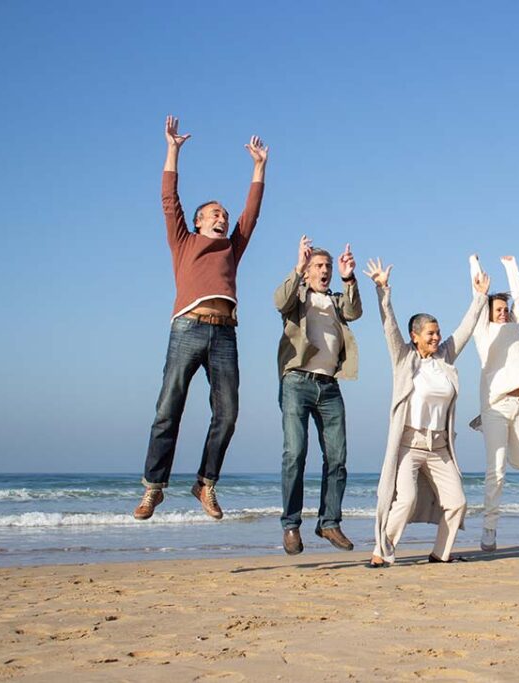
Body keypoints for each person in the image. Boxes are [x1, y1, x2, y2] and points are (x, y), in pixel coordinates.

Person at [134, 115, 268, 521]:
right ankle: (153, 489)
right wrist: (172, 150)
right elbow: (168, 200)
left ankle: (205, 484)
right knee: (167, 409)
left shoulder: (232, 247)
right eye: (214, 212)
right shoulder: (184, 241)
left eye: (224, 214)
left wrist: (259, 168)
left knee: (227, 414)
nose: (222, 217)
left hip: (225, 334)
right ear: (197, 221)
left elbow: (252, 215)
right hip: (187, 328)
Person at [364, 257, 489, 567]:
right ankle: (383, 550)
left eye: (437, 332)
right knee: (404, 500)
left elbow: (465, 330)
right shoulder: (404, 358)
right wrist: (383, 291)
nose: (436, 337)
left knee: (457, 503)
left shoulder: (445, 356)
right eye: (430, 333)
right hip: (408, 444)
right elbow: (388, 326)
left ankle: (439, 555)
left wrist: (479, 298)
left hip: (440, 447)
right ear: (415, 335)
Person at [274, 236, 362, 555]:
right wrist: (298, 266)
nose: (324, 270)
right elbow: (278, 301)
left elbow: (354, 311)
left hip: (329, 386)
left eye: (327, 266)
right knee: (294, 453)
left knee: (337, 457)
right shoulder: (297, 298)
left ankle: (328, 523)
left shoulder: (337, 300)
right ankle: (291, 525)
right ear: (308, 272)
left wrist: (348, 276)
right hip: (297, 382)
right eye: (318, 266)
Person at [468, 255, 519, 552]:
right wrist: (474, 263)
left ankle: (490, 430)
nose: (504, 313)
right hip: (496, 405)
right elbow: (477, 295)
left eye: (505, 309)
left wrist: (511, 266)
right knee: (496, 470)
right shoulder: (483, 332)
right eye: (498, 310)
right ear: (489, 314)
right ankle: (489, 529)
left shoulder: (516, 326)